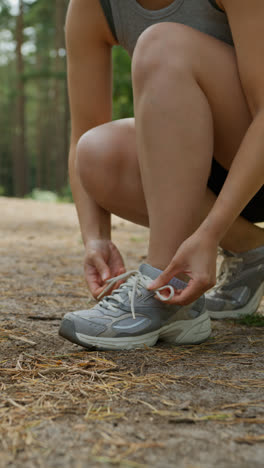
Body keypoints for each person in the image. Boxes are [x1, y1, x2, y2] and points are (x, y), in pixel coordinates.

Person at [59, 0, 264, 350]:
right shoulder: (94, 7)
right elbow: (83, 132)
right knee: (97, 153)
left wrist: (211, 230)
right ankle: (250, 251)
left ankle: (160, 284)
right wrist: (95, 237)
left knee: (163, 45)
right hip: (203, 165)